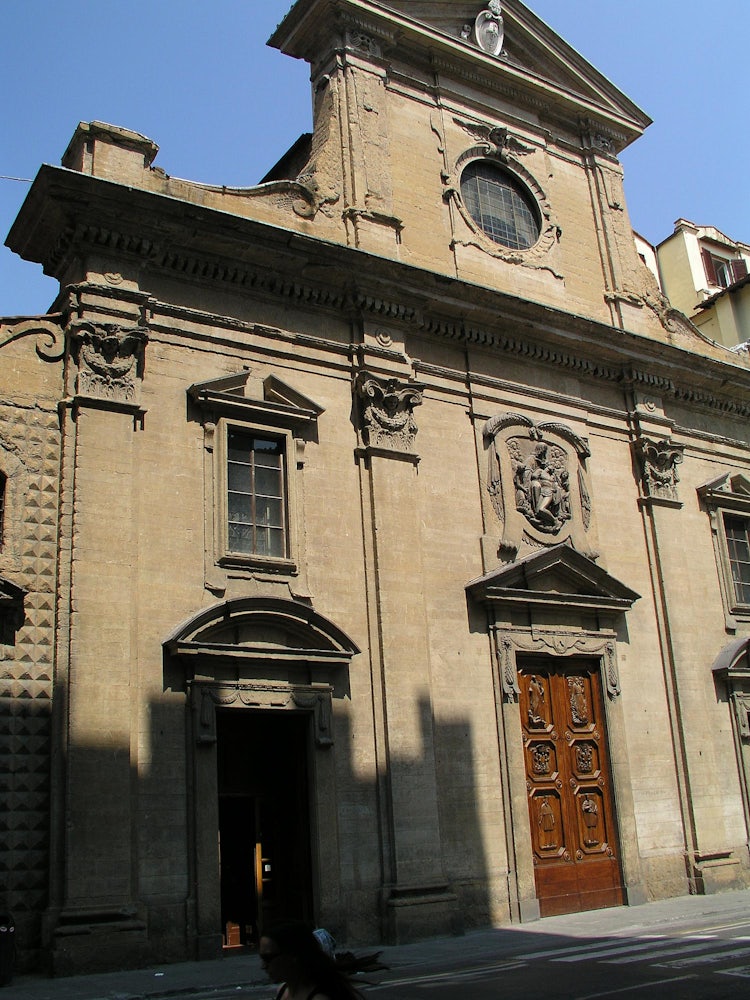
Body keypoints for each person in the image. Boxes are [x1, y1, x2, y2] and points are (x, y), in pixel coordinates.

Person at [259, 920, 364, 1000]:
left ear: (293, 956)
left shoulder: (319, 997)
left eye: (268, 958)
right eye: (262, 958)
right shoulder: (282, 991)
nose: (263, 966)